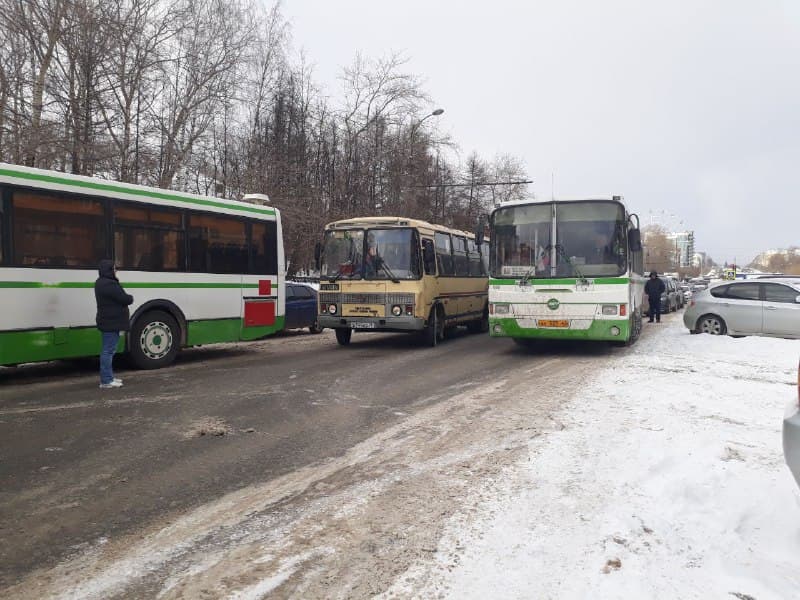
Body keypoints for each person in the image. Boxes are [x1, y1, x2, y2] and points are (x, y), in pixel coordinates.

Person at [95, 259, 134, 388]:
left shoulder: (100, 283)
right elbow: (125, 298)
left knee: (108, 350)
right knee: (108, 351)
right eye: (114, 268)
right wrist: (131, 297)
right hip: (111, 322)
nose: (116, 270)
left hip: (107, 321)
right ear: (109, 270)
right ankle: (106, 380)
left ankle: (109, 377)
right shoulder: (110, 284)